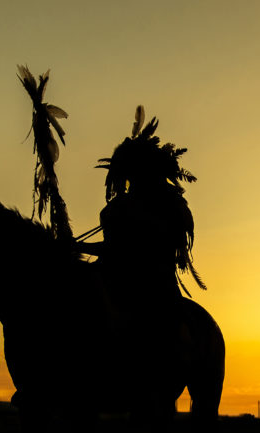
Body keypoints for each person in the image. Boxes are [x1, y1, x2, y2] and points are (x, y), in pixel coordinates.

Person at [79, 107, 205, 370]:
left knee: (156, 321)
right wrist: (75, 247)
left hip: (152, 281)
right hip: (111, 274)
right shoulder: (114, 209)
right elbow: (111, 247)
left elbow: (139, 249)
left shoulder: (168, 207)